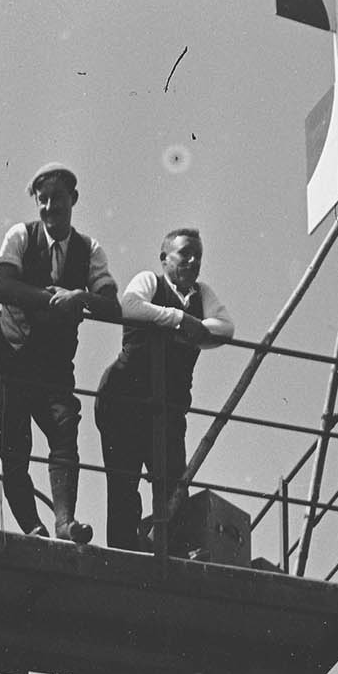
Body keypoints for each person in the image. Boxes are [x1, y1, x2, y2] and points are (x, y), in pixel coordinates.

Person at [0, 164, 119, 543]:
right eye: (42, 200)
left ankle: (65, 523)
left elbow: (112, 306)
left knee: (64, 431)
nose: (49, 208)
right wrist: (49, 299)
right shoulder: (21, 235)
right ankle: (33, 526)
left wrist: (80, 296)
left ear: (73, 200)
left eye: (57, 199)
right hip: (12, 356)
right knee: (14, 445)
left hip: (54, 365)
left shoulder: (88, 249)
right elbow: (3, 283)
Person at [93, 227, 235, 552]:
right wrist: (176, 319)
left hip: (168, 411)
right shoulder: (150, 281)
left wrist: (195, 326)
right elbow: (129, 306)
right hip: (122, 403)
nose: (193, 261)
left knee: (172, 485)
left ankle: (166, 553)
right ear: (164, 258)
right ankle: (124, 553)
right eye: (185, 253)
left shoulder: (202, 294)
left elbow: (226, 327)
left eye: (198, 255)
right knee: (124, 484)